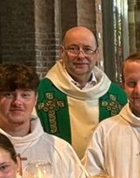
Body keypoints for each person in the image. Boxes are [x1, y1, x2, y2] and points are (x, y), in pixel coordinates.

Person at [37, 27, 129, 157]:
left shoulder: (115, 95)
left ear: (96, 54)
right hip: (59, 172)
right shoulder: (41, 93)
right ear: (62, 52)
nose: (81, 56)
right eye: (73, 49)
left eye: (87, 49)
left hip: (105, 174)